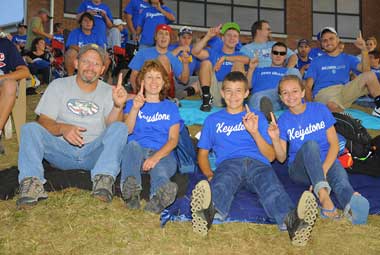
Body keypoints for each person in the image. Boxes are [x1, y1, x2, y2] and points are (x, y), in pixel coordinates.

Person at [191, 71, 318, 246]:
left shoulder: (256, 118)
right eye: (228, 91)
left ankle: (293, 224)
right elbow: (203, 154)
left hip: (258, 164)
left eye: (238, 91)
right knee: (222, 182)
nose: (233, 96)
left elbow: (272, 156)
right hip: (229, 163)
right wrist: (209, 174)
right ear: (221, 93)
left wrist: (255, 132)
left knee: (271, 188)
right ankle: (206, 214)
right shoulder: (213, 120)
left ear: (246, 93)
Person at [16, 44, 129, 209]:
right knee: (29, 129)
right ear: (76, 63)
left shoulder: (108, 91)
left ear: (103, 69)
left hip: (94, 154)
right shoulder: (58, 86)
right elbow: (43, 122)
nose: (90, 67)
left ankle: (103, 180)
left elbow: (112, 128)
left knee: (120, 128)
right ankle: (32, 184)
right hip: (61, 152)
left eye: (96, 64)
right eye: (86, 62)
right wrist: (63, 128)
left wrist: (118, 106)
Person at [268, 75, 370, 224]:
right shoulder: (283, 120)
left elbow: (334, 144)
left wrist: (323, 171)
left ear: (303, 93)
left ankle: (353, 203)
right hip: (300, 170)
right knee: (311, 145)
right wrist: (275, 139)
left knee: (341, 182)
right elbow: (282, 158)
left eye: (295, 91)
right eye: (285, 93)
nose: (290, 96)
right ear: (280, 97)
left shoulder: (320, 109)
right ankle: (324, 198)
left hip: (326, 161)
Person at [121, 60, 180, 214]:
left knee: (160, 169)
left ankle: (159, 196)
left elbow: (173, 140)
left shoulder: (171, 107)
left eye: (158, 77)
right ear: (141, 81)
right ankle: (131, 192)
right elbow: (126, 131)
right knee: (132, 145)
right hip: (136, 152)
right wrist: (134, 109)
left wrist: (155, 157)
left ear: (164, 82)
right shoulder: (132, 103)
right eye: (149, 77)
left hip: (162, 152)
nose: (154, 82)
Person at [304, 27, 380, 117]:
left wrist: (364, 50)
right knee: (331, 105)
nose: (328, 42)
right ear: (321, 44)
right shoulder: (316, 61)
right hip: (324, 93)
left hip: (344, 91)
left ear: (338, 39)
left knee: (370, 75)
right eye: (324, 40)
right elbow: (307, 86)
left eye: (331, 38)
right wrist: (311, 106)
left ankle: (378, 108)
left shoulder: (348, 58)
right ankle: (347, 118)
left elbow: (366, 71)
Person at [191, 22, 248, 112]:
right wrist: (208, 36)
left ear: (238, 40)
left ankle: (237, 101)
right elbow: (195, 52)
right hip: (214, 91)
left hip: (231, 92)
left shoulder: (240, 55)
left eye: (235, 36)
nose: (232, 38)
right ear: (222, 38)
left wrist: (225, 58)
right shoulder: (213, 52)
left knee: (239, 63)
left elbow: (248, 60)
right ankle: (206, 100)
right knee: (206, 62)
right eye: (229, 35)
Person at [128, 24, 189, 95]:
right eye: (160, 33)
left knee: (163, 58)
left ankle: (163, 98)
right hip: (145, 92)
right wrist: (137, 94)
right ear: (156, 37)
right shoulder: (143, 52)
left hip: (165, 94)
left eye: (166, 34)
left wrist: (185, 64)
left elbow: (184, 80)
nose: (163, 37)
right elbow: (133, 76)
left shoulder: (173, 57)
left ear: (169, 39)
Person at [247, 42, 301, 118]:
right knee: (258, 98)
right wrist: (251, 69)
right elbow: (247, 86)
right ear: (271, 55)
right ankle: (268, 116)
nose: (278, 55)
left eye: (282, 53)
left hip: (280, 97)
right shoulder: (259, 70)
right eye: (275, 53)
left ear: (285, 56)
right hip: (258, 98)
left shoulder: (288, 71)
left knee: (293, 73)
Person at [0, 38, 30, 154]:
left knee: (11, 85)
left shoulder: (5, 44)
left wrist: (2, 78)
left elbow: (25, 72)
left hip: (2, 83)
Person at [169, 26, 200, 99]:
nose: (186, 40)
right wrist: (180, 49)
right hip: (173, 82)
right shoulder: (171, 48)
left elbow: (200, 69)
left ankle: (185, 93)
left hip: (188, 83)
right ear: (178, 38)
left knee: (206, 78)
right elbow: (164, 59)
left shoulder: (194, 50)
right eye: (184, 37)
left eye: (189, 38)